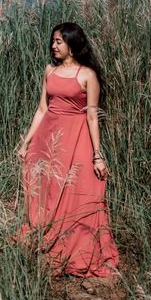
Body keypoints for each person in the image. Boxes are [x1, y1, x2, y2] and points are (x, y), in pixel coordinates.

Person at [16, 22, 120, 277]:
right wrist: (26, 142)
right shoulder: (49, 70)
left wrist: (97, 155)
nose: (53, 45)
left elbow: (92, 116)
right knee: (45, 191)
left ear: (71, 45)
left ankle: (74, 248)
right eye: (53, 41)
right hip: (46, 140)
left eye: (59, 41)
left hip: (76, 140)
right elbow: (42, 109)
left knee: (80, 191)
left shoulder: (87, 75)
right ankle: (44, 239)